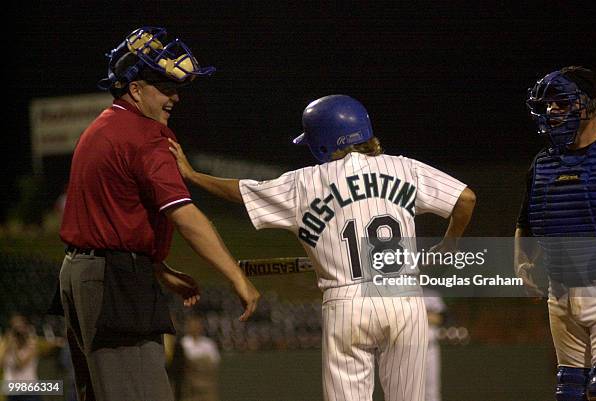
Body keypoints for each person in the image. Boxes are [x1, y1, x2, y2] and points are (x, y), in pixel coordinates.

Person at [169, 94, 476, 401]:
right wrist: (448, 244)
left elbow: (244, 192)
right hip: (403, 299)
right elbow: (465, 199)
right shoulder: (404, 168)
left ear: (323, 142)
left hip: (347, 302)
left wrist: (194, 176)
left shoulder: (306, 182)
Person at [58, 26, 260, 401]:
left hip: (83, 275)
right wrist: (237, 278)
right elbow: (185, 216)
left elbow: (111, 219)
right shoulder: (147, 136)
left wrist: (158, 268)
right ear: (135, 89)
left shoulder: (101, 128)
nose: (175, 97)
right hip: (113, 281)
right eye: (165, 87)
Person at [515, 66, 596, 401]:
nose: (552, 110)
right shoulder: (544, 163)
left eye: (561, 101)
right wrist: (523, 265)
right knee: (568, 391)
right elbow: (526, 221)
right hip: (561, 291)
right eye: (548, 104)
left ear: (589, 102)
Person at [0, 314, 41, 401]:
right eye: (15, 327)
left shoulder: (31, 344)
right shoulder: (6, 345)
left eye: (20, 327)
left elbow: (21, 365)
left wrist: (14, 348)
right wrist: (7, 345)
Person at [423, 288, 446, 401]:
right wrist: (426, 313)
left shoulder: (430, 294)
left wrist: (415, 313)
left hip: (429, 347)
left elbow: (439, 318)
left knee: (432, 392)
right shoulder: (396, 293)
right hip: (405, 348)